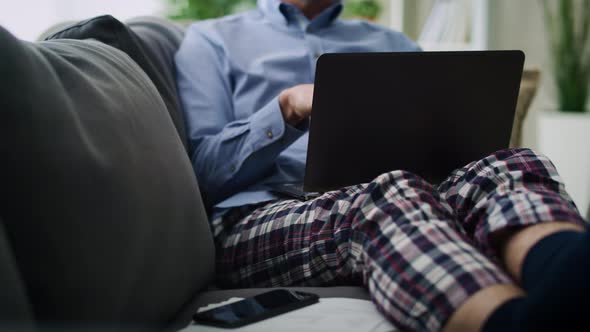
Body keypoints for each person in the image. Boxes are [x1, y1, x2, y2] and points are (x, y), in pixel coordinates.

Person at [174, 0, 589, 330]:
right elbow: (204, 173)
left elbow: (443, 141)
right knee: (390, 191)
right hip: (259, 217)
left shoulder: (392, 42)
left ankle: (571, 276)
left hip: (408, 192)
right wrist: (285, 109)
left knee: (511, 164)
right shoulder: (210, 41)